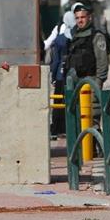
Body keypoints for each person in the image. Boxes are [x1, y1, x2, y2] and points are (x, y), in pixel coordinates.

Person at [65, 3, 109, 128]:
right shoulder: (76, 35)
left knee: (92, 118)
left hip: (91, 82)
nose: (80, 20)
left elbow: (102, 61)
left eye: (82, 17)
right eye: (77, 18)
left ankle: (94, 145)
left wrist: (98, 82)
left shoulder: (97, 36)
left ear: (89, 17)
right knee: (79, 119)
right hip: (76, 84)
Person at [49, 10, 76, 138]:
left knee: (58, 103)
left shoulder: (60, 40)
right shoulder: (77, 37)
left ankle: (56, 129)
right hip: (74, 75)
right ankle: (70, 128)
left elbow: (56, 61)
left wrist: (53, 76)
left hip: (61, 75)